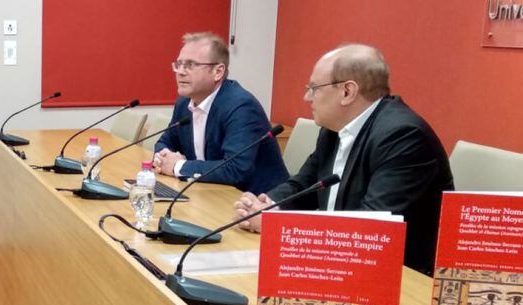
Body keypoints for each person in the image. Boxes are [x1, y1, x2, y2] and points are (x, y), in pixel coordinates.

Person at [232, 43, 453, 275]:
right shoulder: (334, 128)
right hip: (343, 265)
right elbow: (303, 185)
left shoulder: (403, 136)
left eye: (314, 88)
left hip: (402, 277)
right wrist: (266, 205)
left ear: (347, 92)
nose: (306, 97)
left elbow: (372, 227)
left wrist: (279, 226)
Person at [152, 32, 289, 195]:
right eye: (179, 64)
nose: (180, 71)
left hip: (256, 202)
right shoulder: (184, 103)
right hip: (208, 193)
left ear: (218, 72)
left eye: (190, 65)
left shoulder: (241, 106)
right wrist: (163, 158)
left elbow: (235, 169)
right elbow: (165, 142)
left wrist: (178, 166)